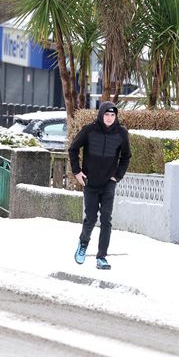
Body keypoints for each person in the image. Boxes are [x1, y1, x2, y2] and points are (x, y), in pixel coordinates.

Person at [69, 101, 131, 270]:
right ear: (101, 114)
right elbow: (73, 149)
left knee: (106, 219)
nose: (109, 118)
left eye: (112, 115)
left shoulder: (121, 133)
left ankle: (101, 257)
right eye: (106, 115)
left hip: (108, 184)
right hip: (90, 183)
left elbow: (126, 157)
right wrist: (77, 171)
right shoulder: (89, 130)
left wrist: (117, 176)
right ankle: (83, 244)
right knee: (90, 218)